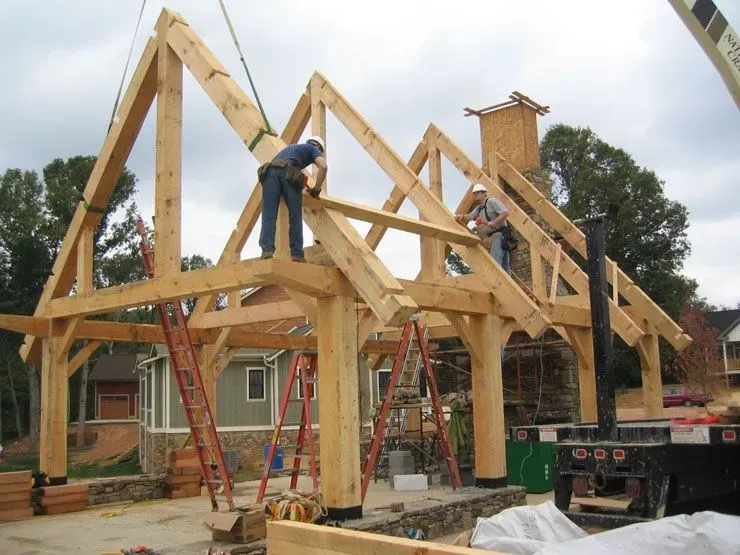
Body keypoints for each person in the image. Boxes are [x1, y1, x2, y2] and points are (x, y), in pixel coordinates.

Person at [258, 136, 328, 262]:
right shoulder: (313, 149)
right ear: (318, 147)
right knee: (295, 216)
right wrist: (316, 189)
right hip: (288, 172)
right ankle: (297, 254)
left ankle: (266, 250)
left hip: (269, 173)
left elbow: (281, 170)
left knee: (269, 215)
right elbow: (323, 166)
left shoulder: (291, 148)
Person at [455, 183, 512, 274]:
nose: (476, 194)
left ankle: (500, 286)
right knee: (504, 266)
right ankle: (509, 286)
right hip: (493, 238)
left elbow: (505, 213)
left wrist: (494, 222)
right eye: (474, 193)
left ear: (484, 193)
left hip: (499, 235)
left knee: (495, 264)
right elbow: (470, 216)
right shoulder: (479, 208)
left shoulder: (492, 201)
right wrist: (462, 216)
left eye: (478, 192)